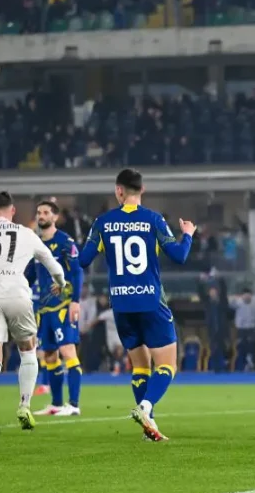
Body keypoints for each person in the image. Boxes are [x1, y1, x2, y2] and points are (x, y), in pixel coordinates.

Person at [79, 168, 194, 441]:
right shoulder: (153, 220)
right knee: (167, 366)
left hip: (121, 304)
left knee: (140, 367)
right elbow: (179, 256)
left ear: (119, 191)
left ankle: (149, 427)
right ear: (142, 190)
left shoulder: (103, 222)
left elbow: (83, 260)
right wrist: (187, 234)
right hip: (151, 302)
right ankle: (146, 407)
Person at [0, 191, 66, 430]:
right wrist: (61, 282)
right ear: (13, 211)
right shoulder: (27, 234)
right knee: (28, 351)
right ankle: (24, 406)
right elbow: (52, 263)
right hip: (17, 294)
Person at [30, 200, 85, 417]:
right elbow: (30, 274)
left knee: (67, 351)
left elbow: (77, 271)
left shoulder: (65, 242)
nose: (41, 216)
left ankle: (73, 404)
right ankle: (56, 403)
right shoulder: (35, 245)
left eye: (45, 212)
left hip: (63, 305)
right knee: (49, 356)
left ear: (55, 217)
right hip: (44, 309)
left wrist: (75, 300)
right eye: (39, 213)